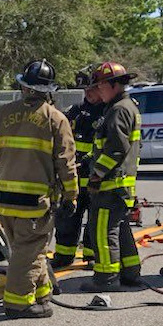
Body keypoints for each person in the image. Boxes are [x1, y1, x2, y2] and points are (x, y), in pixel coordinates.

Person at [0, 59, 77, 319]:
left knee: (28, 250)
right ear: (49, 90)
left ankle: (42, 293)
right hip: (33, 204)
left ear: (23, 86)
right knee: (30, 251)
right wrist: (71, 196)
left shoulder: (3, 113)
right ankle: (18, 303)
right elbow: (66, 164)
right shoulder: (56, 119)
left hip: (3, 202)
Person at [79, 61, 142, 291]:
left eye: (100, 86)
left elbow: (116, 148)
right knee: (121, 229)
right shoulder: (126, 106)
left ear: (114, 85)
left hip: (110, 185)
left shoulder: (118, 110)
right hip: (121, 184)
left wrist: (96, 174)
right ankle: (130, 273)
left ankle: (106, 279)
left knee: (103, 232)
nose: (96, 91)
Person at [50, 66, 105, 268]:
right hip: (74, 178)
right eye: (85, 90)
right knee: (67, 219)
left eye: (92, 89)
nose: (88, 94)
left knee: (95, 221)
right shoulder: (74, 112)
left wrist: (90, 161)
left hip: (96, 178)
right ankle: (64, 255)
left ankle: (92, 256)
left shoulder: (109, 112)